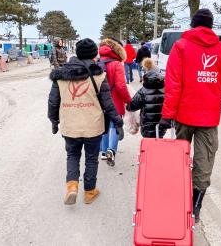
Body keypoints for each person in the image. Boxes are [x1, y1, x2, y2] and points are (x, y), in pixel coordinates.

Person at [159, 9, 221, 223]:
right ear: (211, 26)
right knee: (205, 161)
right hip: (209, 118)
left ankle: (178, 196)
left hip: (184, 115)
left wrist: (167, 115)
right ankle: (195, 207)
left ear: (193, 25)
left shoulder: (181, 46)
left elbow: (173, 83)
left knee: (180, 157)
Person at [48, 38, 124, 205]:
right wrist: (118, 123)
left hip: (70, 125)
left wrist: (54, 120)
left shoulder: (60, 75)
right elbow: (108, 103)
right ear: (94, 54)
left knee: (72, 155)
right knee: (91, 158)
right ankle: (89, 192)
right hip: (92, 125)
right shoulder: (98, 75)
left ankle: (72, 186)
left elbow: (53, 101)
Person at [99, 37, 131, 166]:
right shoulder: (117, 64)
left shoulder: (97, 61)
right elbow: (121, 86)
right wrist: (128, 100)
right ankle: (111, 150)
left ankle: (103, 151)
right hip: (115, 99)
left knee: (104, 125)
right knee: (115, 125)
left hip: (101, 100)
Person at [126, 58, 165, 138]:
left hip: (147, 126)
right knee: (160, 143)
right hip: (161, 124)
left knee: (148, 146)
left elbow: (132, 106)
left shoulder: (143, 91)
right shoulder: (165, 89)